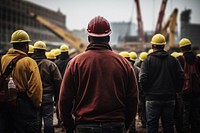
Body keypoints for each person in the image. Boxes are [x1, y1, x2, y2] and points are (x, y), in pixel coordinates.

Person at [59, 16, 138, 133]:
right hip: (116, 125)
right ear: (109, 38)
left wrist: (70, 127)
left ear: (89, 37)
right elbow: (133, 99)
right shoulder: (124, 64)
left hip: (85, 126)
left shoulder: (75, 63)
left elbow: (64, 100)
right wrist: (124, 125)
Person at [139, 34, 185, 133]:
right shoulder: (173, 60)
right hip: (169, 98)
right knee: (168, 125)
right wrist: (176, 90)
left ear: (152, 46)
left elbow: (142, 79)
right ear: (164, 46)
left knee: (152, 125)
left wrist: (147, 92)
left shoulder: (147, 61)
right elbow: (181, 76)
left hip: (152, 99)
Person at [0, 30, 43, 133]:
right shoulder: (29, 62)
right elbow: (35, 88)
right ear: (26, 45)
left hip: (5, 102)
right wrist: (36, 105)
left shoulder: (3, 59)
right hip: (23, 104)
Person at [32, 41, 62, 133]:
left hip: (33, 96)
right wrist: (57, 97)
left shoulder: (29, 63)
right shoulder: (50, 64)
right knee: (48, 118)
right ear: (44, 51)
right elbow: (58, 81)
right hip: (47, 95)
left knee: (36, 119)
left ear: (34, 51)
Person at [177, 38, 200, 133]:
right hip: (197, 90)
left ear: (181, 49)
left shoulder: (180, 60)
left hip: (185, 91)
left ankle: (185, 130)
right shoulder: (198, 59)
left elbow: (177, 76)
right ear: (190, 47)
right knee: (196, 113)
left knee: (185, 112)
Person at [54, 44, 71, 129]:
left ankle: (60, 121)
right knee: (70, 104)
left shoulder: (56, 63)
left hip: (58, 86)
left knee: (59, 104)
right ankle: (68, 122)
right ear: (68, 52)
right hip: (69, 86)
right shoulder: (71, 61)